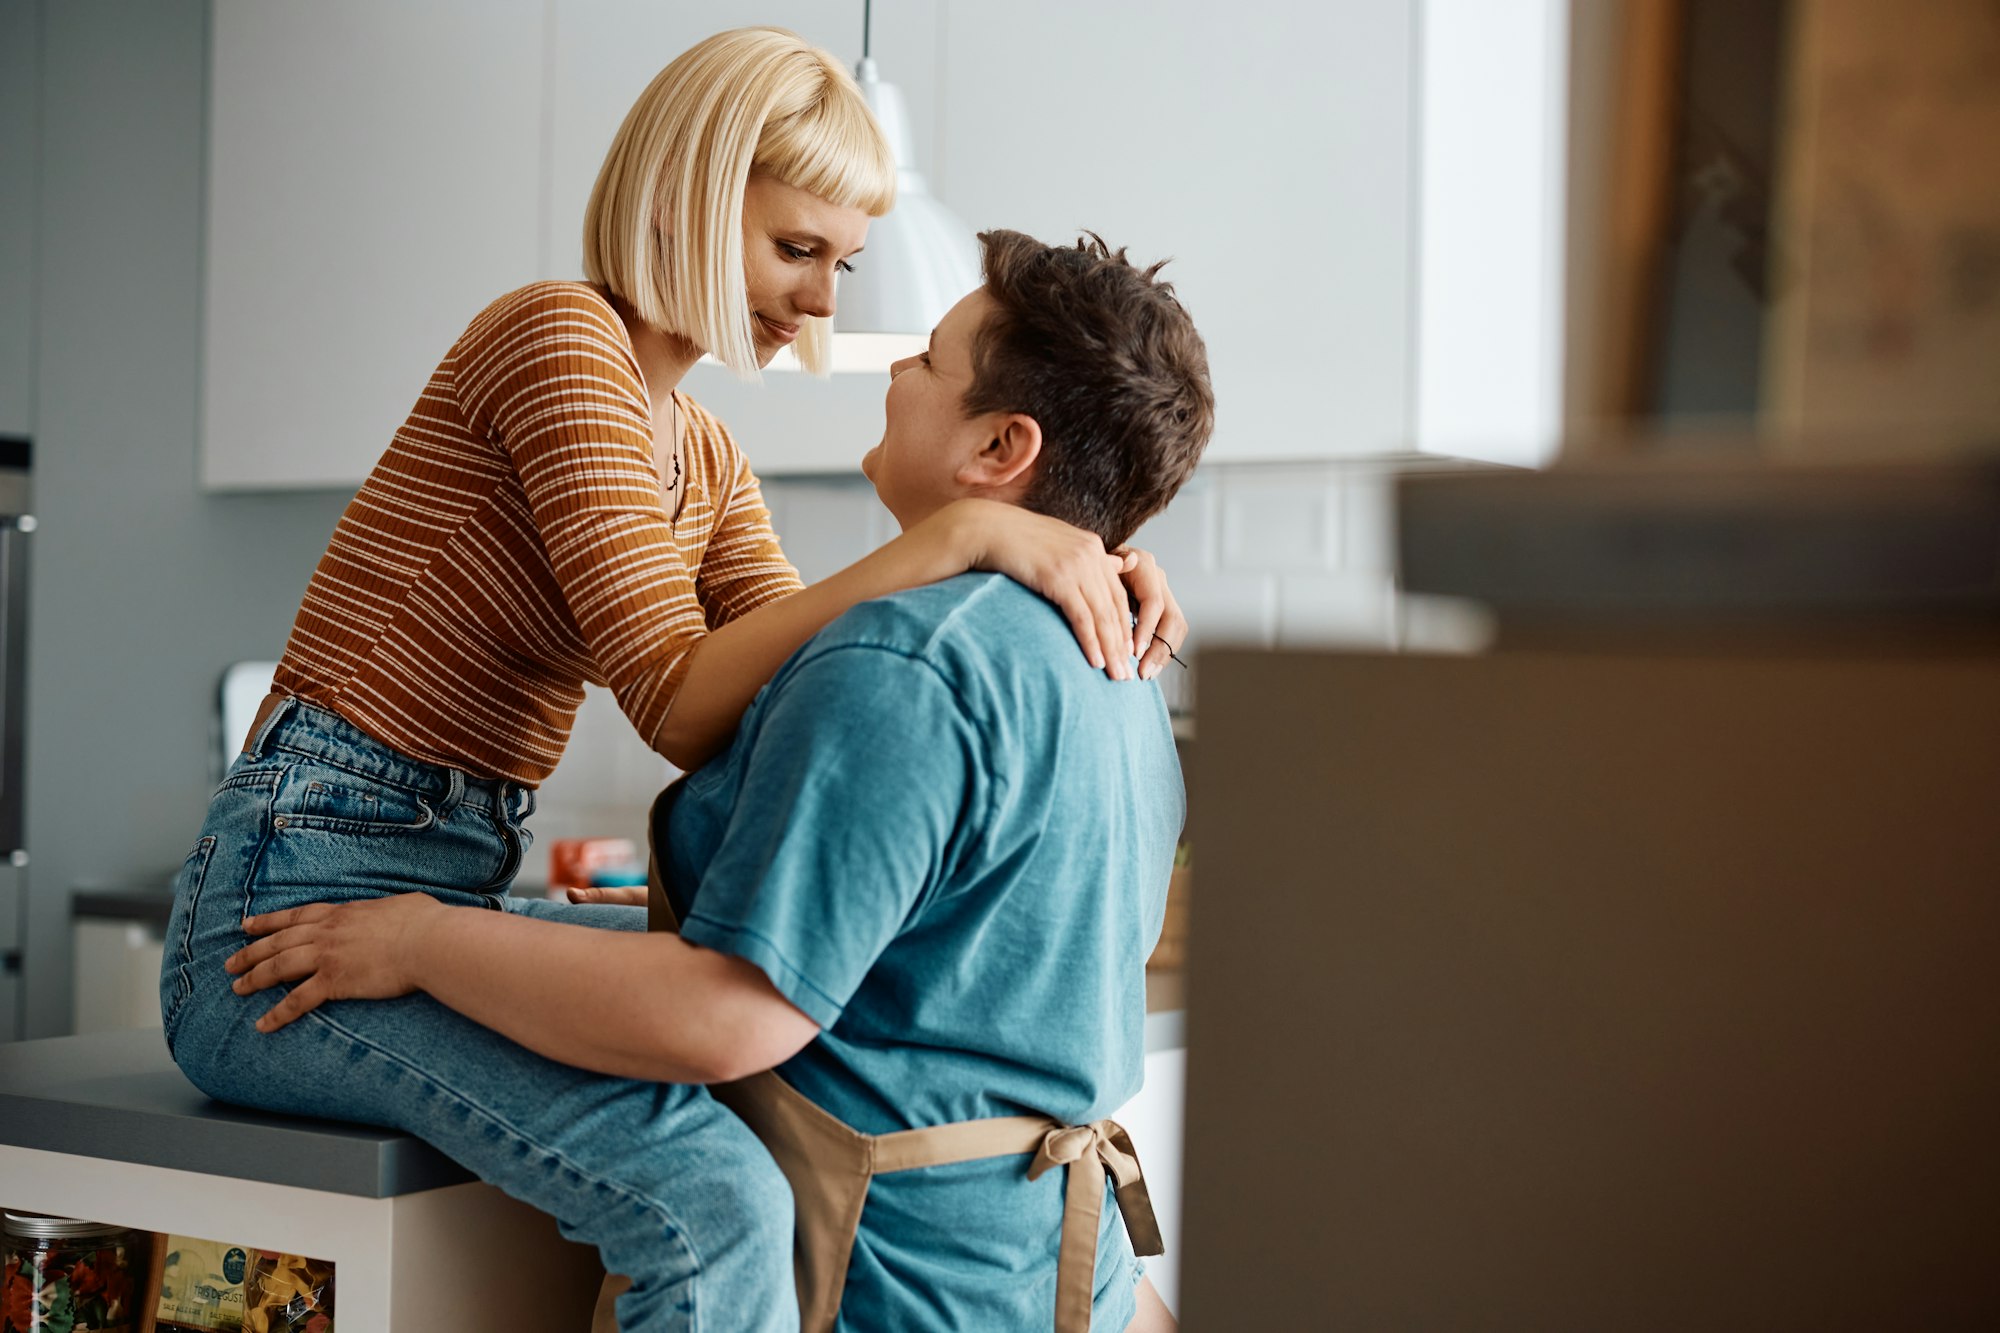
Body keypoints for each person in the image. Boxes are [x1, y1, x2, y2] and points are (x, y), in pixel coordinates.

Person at [161, 26, 1182, 1333]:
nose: (823, 303)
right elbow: (676, 695)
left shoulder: (703, 454)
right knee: (714, 1201)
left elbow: (783, 698)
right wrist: (956, 536)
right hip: (285, 911)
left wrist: (1078, 553)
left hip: (429, 876)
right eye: (796, 249)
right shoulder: (557, 343)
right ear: (687, 200)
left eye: (844, 262)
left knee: (697, 1023)